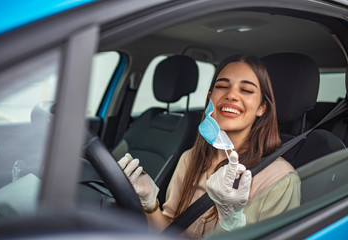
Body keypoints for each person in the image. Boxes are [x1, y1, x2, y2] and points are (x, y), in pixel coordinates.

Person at [118, 55, 301, 239]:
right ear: (210, 98)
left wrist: (231, 223)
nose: (231, 95)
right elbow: (170, 233)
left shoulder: (280, 178)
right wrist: (150, 203)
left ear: (262, 107)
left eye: (246, 90)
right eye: (221, 86)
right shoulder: (189, 159)